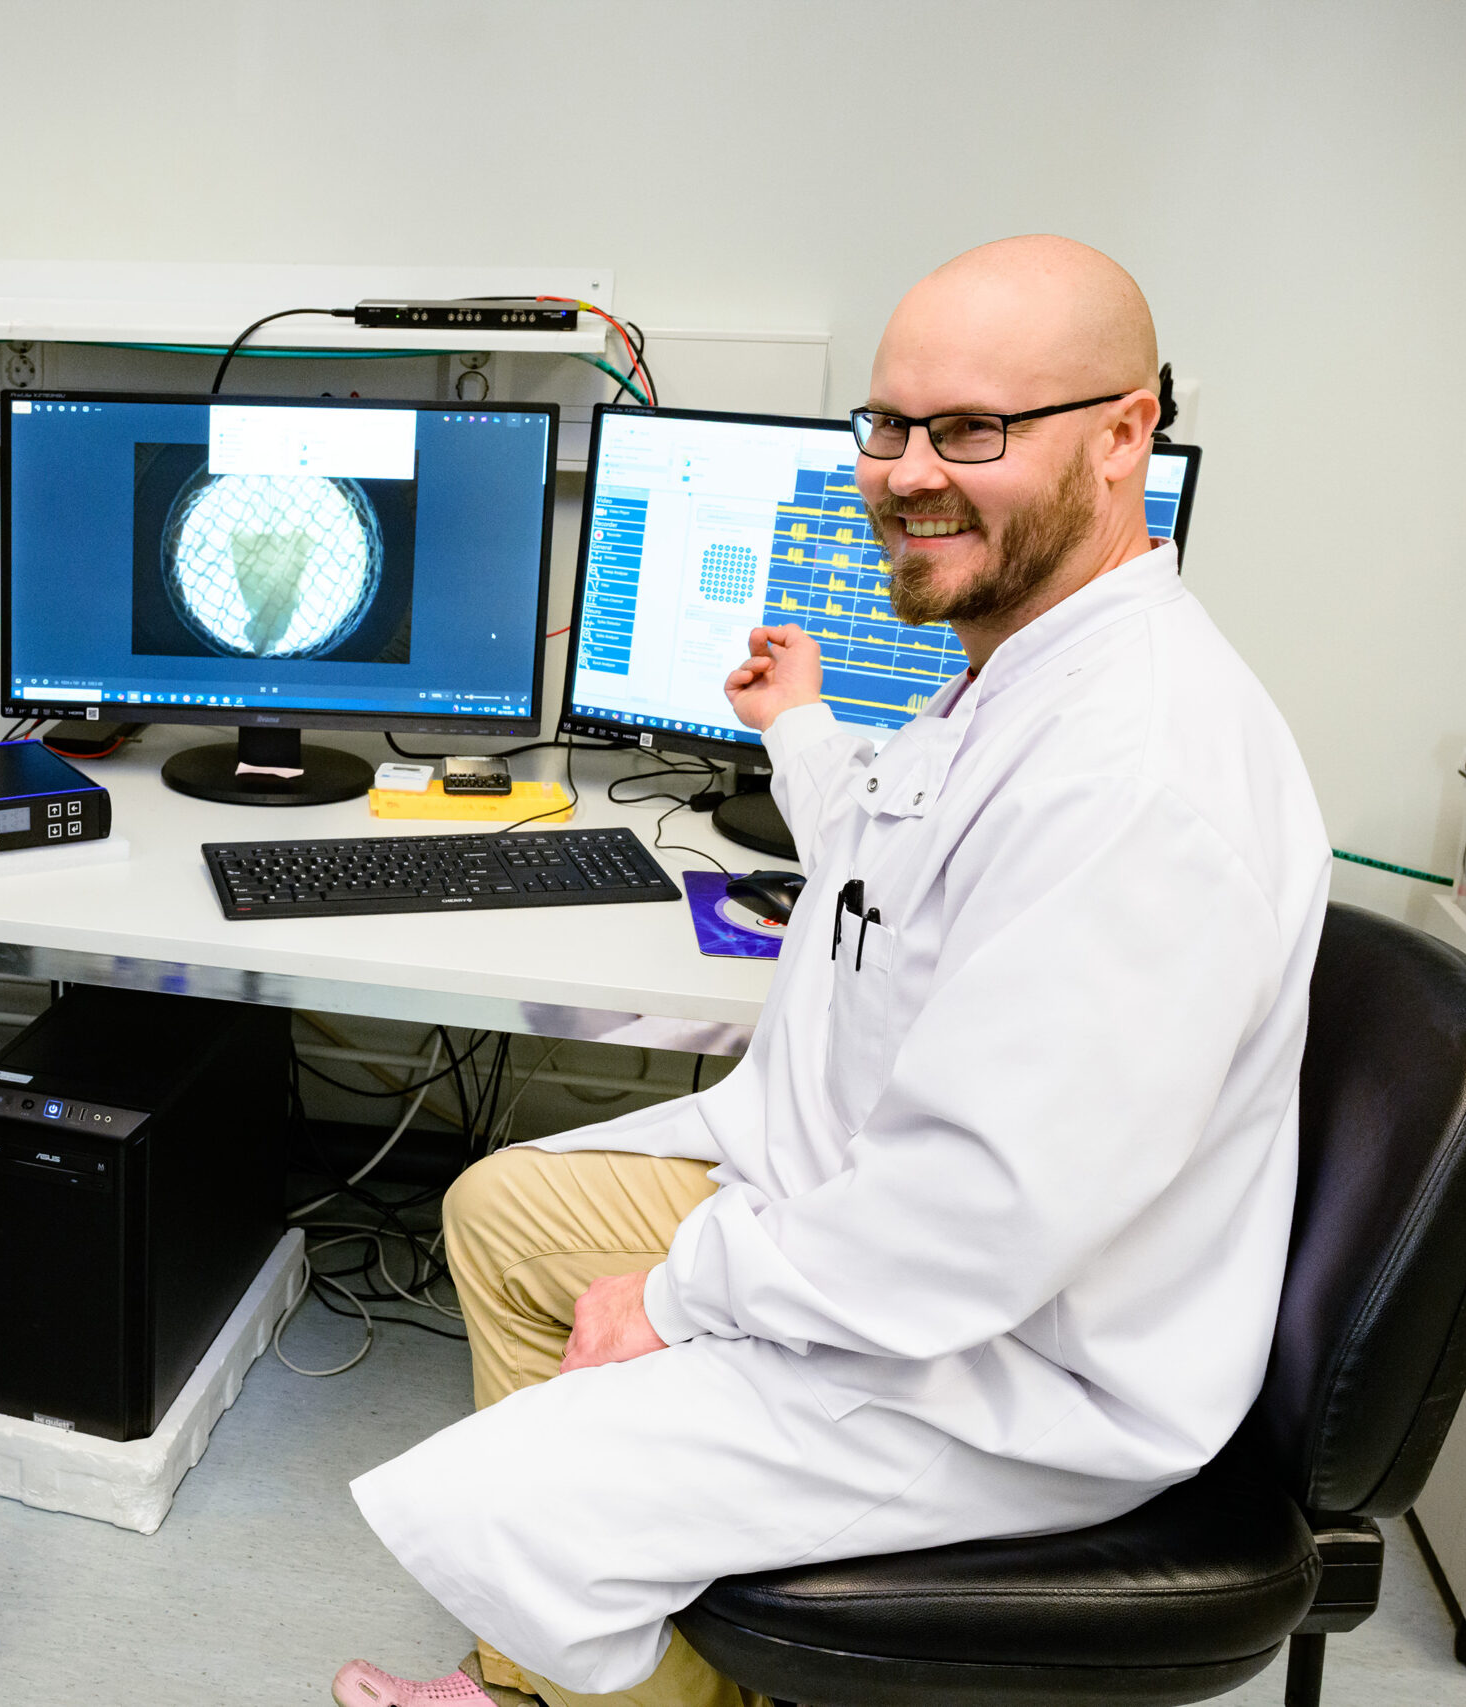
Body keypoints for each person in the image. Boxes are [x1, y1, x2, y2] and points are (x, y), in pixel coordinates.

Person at [331, 235, 1330, 1707]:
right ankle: (563, 1677)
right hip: (872, 1216)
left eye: (975, 429)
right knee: (501, 1212)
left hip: (1019, 1358)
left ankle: (599, 1689)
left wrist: (680, 1299)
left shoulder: (1142, 776)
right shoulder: (1029, 664)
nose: (908, 469)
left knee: (515, 1496)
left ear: (1126, 434)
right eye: (890, 424)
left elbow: (975, 1217)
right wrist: (799, 729)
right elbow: (902, 842)